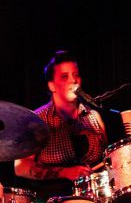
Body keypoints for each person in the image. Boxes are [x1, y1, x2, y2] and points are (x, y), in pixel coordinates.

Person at [14, 50, 109, 201]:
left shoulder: (94, 117)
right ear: (52, 86)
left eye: (76, 75)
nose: (73, 80)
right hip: (53, 198)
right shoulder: (37, 120)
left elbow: (108, 161)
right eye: (65, 76)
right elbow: (21, 167)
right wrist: (66, 172)